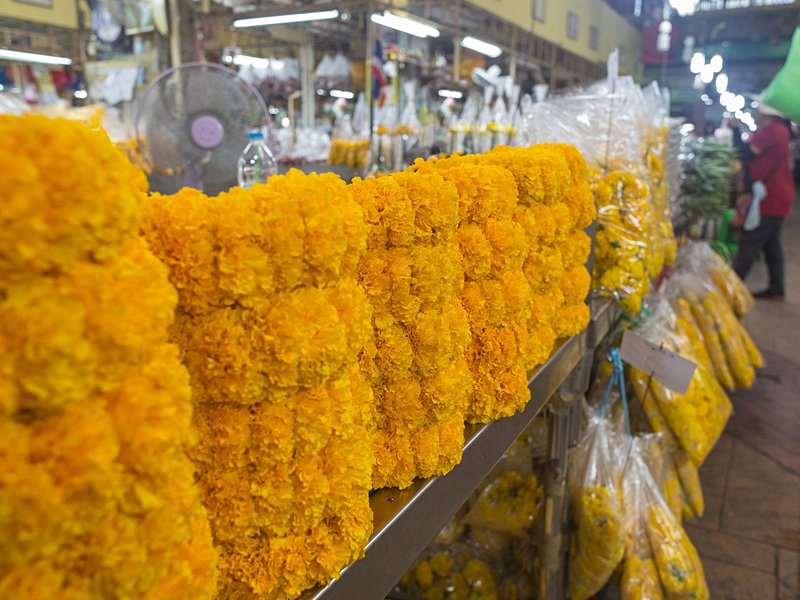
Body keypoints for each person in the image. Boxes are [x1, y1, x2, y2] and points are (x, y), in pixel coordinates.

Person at [732, 100, 795, 301]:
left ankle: (730, 290)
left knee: (750, 242)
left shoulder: (773, 130)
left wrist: (735, 130)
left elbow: (745, 153)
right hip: (777, 194)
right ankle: (777, 288)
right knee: (771, 244)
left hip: (769, 197)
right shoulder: (780, 129)